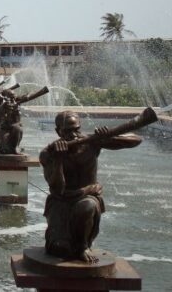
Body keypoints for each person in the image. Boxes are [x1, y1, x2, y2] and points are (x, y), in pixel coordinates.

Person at [40, 111, 142, 263]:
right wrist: (59, 161)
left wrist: (108, 136)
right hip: (61, 202)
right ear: (58, 131)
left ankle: (83, 246)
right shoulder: (49, 154)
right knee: (60, 249)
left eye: (77, 129)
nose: (74, 135)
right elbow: (57, 190)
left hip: (88, 199)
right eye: (68, 131)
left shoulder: (91, 142)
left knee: (86, 206)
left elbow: (136, 140)